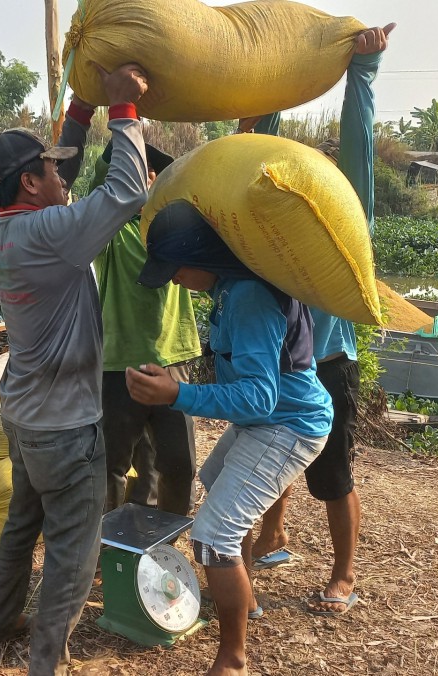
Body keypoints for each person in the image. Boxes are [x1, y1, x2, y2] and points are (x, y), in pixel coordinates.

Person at [0, 62, 150, 676]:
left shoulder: (4, 228)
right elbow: (126, 193)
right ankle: (48, 663)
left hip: (24, 416)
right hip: (64, 427)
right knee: (72, 552)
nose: (60, 176)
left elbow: (60, 186)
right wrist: (123, 109)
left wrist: (78, 112)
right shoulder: (51, 235)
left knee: (23, 524)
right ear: (29, 182)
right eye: (50, 169)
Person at [126, 202, 333, 676]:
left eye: (175, 270)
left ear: (202, 257)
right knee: (215, 480)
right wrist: (175, 388)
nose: (175, 281)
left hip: (289, 424)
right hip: (271, 418)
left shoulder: (249, 298)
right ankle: (247, 601)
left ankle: (232, 659)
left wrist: (176, 393)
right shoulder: (229, 289)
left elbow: (258, 398)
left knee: (213, 538)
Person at [244, 23, 394, 617]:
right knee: (267, 455)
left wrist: (363, 74)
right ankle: (274, 536)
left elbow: (358, 148)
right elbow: (252, 153)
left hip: (329, 362)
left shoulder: (347, 223)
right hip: (277, 358)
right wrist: (282, 80)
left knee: (331, 474)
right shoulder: (270, 229)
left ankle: (344, 573)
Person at [89, 141, 201, 516]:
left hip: (173, 357)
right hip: (120, 363)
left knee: (178, 465)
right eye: (138, 176)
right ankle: (105, 548)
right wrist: (124, 134)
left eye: (152, 177)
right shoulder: (112, 232)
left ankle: (161, 544)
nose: (146, 184)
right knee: (110, 467)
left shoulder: (177, 229)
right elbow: (97, 184)